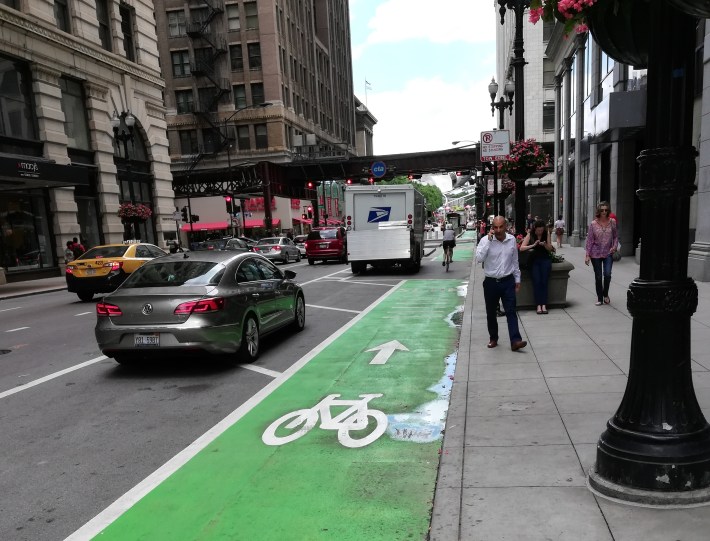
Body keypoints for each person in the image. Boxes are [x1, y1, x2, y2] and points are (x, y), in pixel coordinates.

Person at [475, 216, 527, 351]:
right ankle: (493, 338)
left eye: (501, 227)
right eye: (495, 227)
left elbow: (515, 261)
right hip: (491, 282)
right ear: (492, 227)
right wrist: (488, 242)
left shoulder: (511, 240)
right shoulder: (485, 240)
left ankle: (515, 340)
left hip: (507, 281)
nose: (498, 230)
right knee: (491, 312)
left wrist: (517, 279)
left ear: (506, 226)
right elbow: (479, 258)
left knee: (511, 311)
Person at [585, 201, 618, 306]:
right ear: (599, 211)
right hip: (595, 253)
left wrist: (614, 246)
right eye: (602, 210)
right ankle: (600, 298)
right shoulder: (593, 224)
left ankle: (605, 294)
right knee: (598, 276)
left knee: (607, 275)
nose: (604, 212)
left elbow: (616, 236)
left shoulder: (612, 222)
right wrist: (587, 255)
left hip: (608, 252)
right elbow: (590, 240)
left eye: (606, 210)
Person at [520, 220, 553, 314]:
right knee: (537, 282)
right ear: (535, 229)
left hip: (545, 260)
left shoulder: (546, 233)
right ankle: (538, 305)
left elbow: (550, 248)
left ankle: (544, 305)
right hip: (534, 261)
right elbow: (522, 248)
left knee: (544, 282)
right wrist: (533, 245)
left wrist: (545, 244)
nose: (540, 232)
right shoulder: (531, 234)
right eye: (538, 230)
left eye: (541, 230)